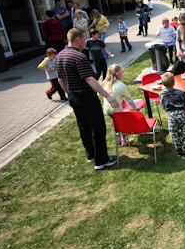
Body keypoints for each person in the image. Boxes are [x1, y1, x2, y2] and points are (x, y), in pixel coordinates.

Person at [56, 28, 119, 170]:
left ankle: (91, 155)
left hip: (73, 96)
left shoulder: (60, 56)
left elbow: (60, 80)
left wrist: (68, 92)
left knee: (83, 126)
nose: (85, 42)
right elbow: (90, 79)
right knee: (97, 127)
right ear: (77, 39)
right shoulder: (79, 57)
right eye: (84, 39)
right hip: (86, 96)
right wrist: (107, 95)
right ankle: (101, 160)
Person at [101, 64, 139, 146]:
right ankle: (124, 140)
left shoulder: (105, 84)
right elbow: (129, 99)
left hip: (108, 110)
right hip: (117, 109)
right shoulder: (120, 86)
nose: (122, 75)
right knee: (123, 123)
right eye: (122, 73)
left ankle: (118, 138)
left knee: (116, 122)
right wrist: (135, 108)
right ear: (118, 73)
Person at [160, 72, 185, 157]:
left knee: (173, 132)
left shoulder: (162, 94)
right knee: (184, 129)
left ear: (163, 84)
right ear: (174, 82)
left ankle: (178, 149)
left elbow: (163, 104)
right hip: (180, 112)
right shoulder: (180, 92)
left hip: (170, 114)